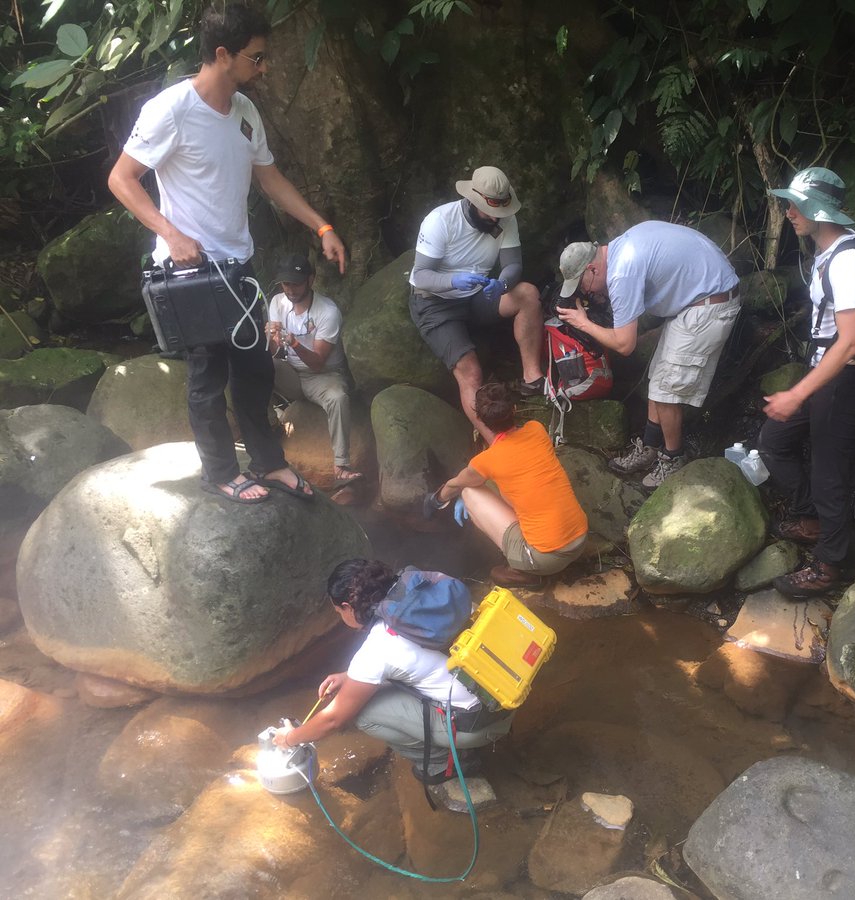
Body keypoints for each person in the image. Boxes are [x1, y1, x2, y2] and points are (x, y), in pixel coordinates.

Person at [108, 4, 346, 504]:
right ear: (222, 54)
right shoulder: (170, 110)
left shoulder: (244, 110)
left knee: (256, 372)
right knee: (208, 377)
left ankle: (268, 463)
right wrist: (170, 235)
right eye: (256, 58)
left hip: (238, 267)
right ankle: (219, 471)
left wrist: (320, 224)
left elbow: (270, 177)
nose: (265, 68)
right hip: (192, 271)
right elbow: (121, 179)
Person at [271, 558, 513, 785]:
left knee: (364, 713)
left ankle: (441, 764)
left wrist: (290, 738)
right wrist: (349, 676)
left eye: (339, 612)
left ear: (347, 606)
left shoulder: (378, 647)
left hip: (482, 725)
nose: (341, 617)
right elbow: (420, 657)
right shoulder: (427, 593)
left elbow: (334, 719)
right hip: (508, 692)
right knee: (386, 683)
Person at [758, 167, 855, 598]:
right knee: (773, 441)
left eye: (797, 205)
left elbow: (848, 344)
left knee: (830, 472)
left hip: (846, 379)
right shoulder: (831, 253)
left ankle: (829, 565)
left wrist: (797, 393)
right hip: (825, 374)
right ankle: (812, 519)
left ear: (820, 211)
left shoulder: (848, 262)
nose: (789, 212)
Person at [555, 222, 741, 488]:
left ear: (592, 269)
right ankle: (650, 447)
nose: (586, 292)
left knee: (667, 390)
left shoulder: (621, 273)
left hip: (710, 304)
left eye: (583, 285)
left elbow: (624, 345)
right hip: (699, 295)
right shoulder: (620, 247)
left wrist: (583, 323)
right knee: (658, 377)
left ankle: (673, 459)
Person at [408, 167, 546, 441]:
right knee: (471, 372)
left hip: (478, 294)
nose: (495, 218)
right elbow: (421, 276)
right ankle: (496, 443)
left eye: (500, 212)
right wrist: (452, 281)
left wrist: (503, 284)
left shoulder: (506, 218)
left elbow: (513, 264)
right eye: (488, 211)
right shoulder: (441, 220)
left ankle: (533, 379)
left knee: (528, 294)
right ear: (472, 200)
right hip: (436, 301)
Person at [425, 383, 588, 588]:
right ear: (515, 409)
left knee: (468, 492)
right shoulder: (536, 429)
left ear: (482, 421)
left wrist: (435, 501)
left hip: (546, 557)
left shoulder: (486, 461)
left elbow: (454, 485)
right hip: (580, 537)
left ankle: (530, 574)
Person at [266, 253, 361, 486]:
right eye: (286, 284)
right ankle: (267, 427)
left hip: (324, 375)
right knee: (260, 365)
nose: (290, 290)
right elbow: (273, 352)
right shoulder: (278, 302)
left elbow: (318, 362)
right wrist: (269, 337)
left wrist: (295, 342)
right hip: (292, 374)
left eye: (296, 283)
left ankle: (341, 466)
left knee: (338, 398)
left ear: (310, 280)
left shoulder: (327, 311)